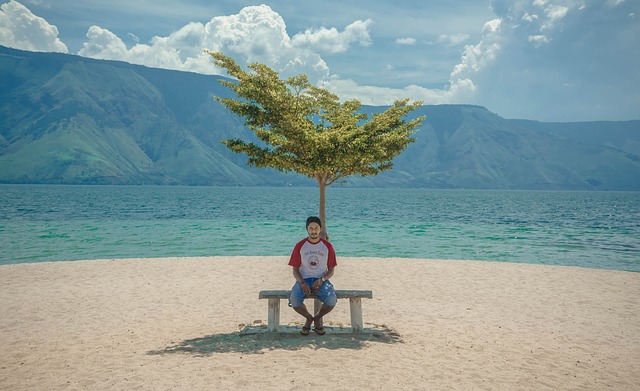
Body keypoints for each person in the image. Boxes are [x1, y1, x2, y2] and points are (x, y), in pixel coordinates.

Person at [288, 216, 337, 335]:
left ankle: (316, 318)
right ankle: (309, 318)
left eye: (316, 228)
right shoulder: (300, 246)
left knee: (331, 300)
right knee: (294, 300)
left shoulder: (327, 247)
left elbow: (331, 270)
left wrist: (322, 280)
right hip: (303, 280)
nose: (314, 231)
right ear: (307, 229)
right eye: (311, 228)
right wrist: (302, 282)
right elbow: (295, 269)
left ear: (320, 229)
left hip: (322, 280)